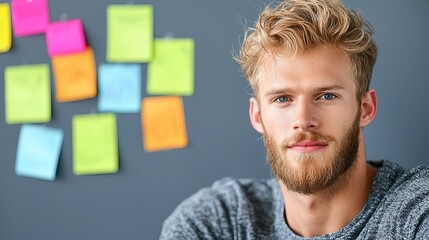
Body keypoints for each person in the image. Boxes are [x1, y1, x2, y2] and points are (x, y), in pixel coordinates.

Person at [160, 0, 429, 239]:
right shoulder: (214, 223)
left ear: (366, 108)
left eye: (326, 96)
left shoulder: (417, 213)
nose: (303, 120)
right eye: (282, 99)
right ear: (257, 115)